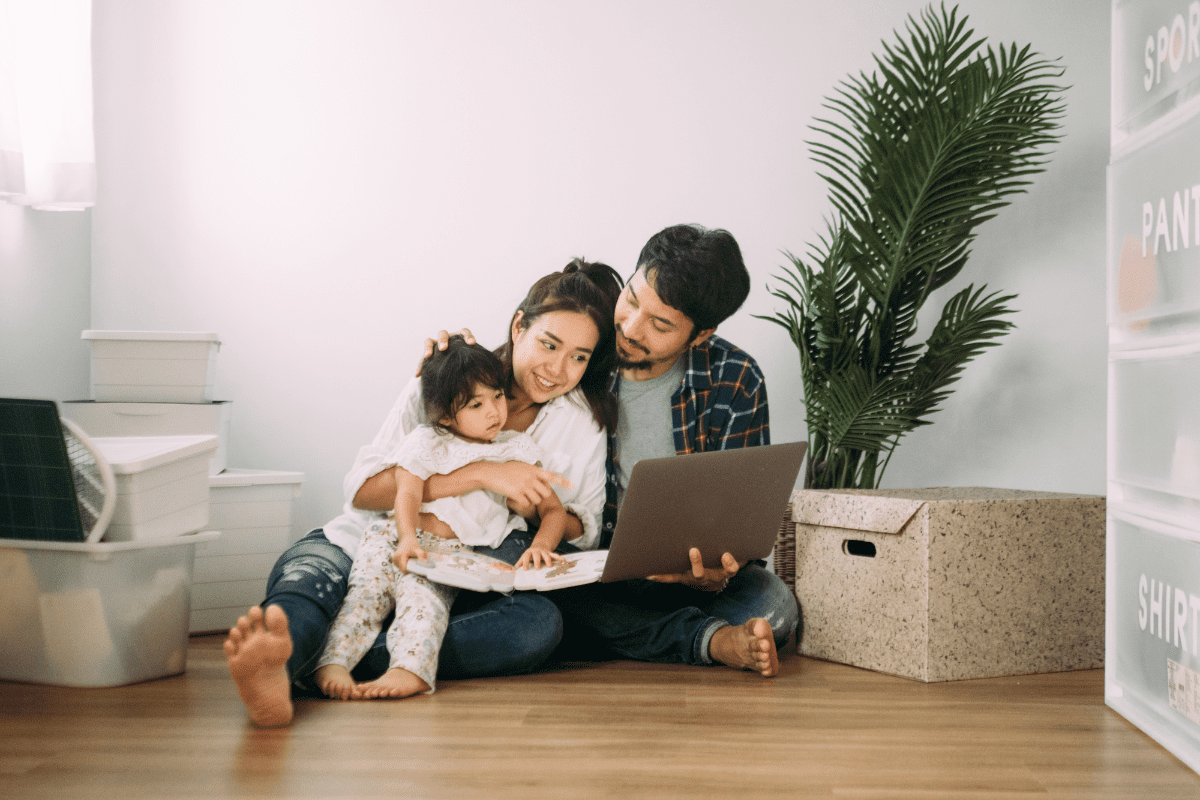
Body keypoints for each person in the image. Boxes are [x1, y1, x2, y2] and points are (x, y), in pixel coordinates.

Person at [224, 259, 622, 727]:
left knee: (536, 626)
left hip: (458, 574)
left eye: (579, 356)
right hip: (374, 541)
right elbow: (365, 492)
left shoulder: (581, 422)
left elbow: (585, 528)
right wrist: (482, 475)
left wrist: (530, 511)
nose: (558, 369)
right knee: (311, 581)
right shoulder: (444, 377)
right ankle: (280, 661)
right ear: (519, 327)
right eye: (548, 344)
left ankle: (336, 660)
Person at [549, 223, 800, 678]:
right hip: (587, 570)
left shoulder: (735, 378)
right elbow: (513, 366)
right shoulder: (584, 345)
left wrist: (713, 574)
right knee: (545, 599)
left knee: (774, 606)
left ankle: (632, 634)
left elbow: (741, 529)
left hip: (685, 583)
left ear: (700, 335)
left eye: (660, 324)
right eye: (631, 298)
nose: (629, 327)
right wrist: (451, 361)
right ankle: (708, 640)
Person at [313, 338, 570, 701]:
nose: (494, 411)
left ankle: (408, 671)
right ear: (447, 415)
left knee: (424, 607)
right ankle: (333, 662)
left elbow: (553, 510)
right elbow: (408, 491)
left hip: (446, 554)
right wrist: (406, 538)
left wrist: (541, 546)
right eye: (476, 404)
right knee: (365, 598)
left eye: (498, 396)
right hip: (393, 538)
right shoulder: (427, 441)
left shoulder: (515, 450)